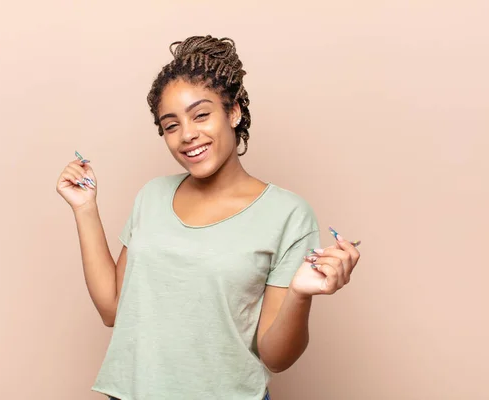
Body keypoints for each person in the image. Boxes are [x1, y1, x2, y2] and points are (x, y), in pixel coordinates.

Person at [56, 35, 361, 400]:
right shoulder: (152, 195)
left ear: (233, 112)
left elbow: (276, 357)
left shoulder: (288, 214)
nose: (187, 135)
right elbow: (112, 309)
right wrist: (85, 207)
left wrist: (299, 293)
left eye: (201, 114)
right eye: (170, 125)